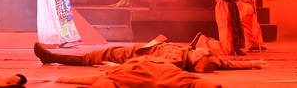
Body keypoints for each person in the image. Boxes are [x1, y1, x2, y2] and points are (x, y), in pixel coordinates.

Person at [33, 33, 267, 73]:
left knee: (89, 58)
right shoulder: (196, 56)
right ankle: (52, 57)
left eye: (205, 52)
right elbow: (226, 65)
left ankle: (51, 58)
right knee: (92, 56)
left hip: (129, 57)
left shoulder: (175, 61)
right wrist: (253, 64)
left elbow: (146, 62)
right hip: (137, 49)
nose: (206, 49)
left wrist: (119, 67)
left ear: (198, 58)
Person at [53, 55, 222, 88]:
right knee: (193, 83)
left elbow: (97, 78)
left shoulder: (123, 69)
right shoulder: (173, 59)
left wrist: (69, 79)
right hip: (159, 69)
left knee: (106, 81)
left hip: (143, 69)